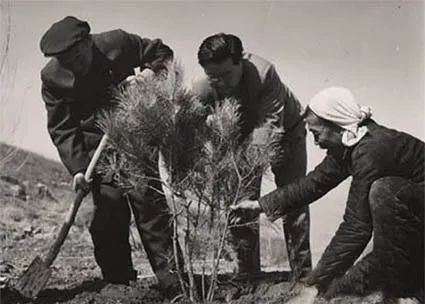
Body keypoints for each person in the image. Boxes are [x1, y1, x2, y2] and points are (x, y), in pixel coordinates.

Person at [233, 87, 424, 303]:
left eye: (317, 133)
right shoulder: (350, 144)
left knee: (383, 190)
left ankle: (406, 289)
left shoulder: (372, 151)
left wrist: (315, 285)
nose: (316, 142)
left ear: (338, 127)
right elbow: (313, 184)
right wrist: (260, 205)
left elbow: (356, 227)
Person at [39, 16, 181, 297]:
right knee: (108, 214)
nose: (74, 65)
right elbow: (62, 127)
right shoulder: (52, 77)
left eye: (77, 56)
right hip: (96, 150)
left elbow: (161, 54)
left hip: (134, 137)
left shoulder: (117, 42)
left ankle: (172, 280)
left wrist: (149, 75)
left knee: (149, 207)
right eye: (66, 61)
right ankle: (119, 285)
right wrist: (78, 169)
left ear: (88, 42)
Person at [192, 33, 312, 282]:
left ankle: (302, 275)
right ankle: (247, 274)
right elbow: (189, 126)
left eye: (225, 76)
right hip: (243, 139)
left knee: (293, 199)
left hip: (287, 131)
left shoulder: (264, 73)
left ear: (241, 61)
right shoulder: (202, 88)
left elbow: (268, 127)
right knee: (240, 205)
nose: (220, 84)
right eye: (213, 77)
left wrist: (244, 170)